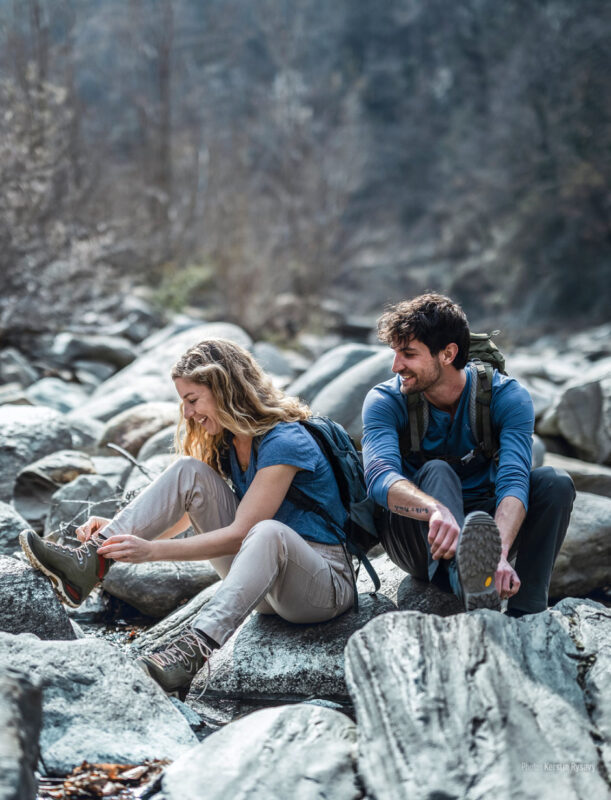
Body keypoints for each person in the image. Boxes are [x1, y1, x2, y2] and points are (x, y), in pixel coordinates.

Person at [20, 338, 354, 696]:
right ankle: (90, 562)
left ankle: (194, 650)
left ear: (226, 389)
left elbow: (241, 534)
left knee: (267, 531)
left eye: (192, 400)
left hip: (320, 587)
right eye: (184, 402)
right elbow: (187, 509)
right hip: (261, 584)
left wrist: (150, 551)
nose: (187, 414)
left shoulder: (286, 440)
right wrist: (120, 535)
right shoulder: (231, 442)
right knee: (188, 471)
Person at [362, 293, 575, 615]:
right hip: (419, 534)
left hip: (483, 529)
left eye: (408, 354)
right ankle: (468, 585)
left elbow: (514, 479)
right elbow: (378, 476)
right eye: (395, 353)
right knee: (436, 470)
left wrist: (496, 554)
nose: (396, 366)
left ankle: (527, 609)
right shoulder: (385, 400)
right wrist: (433, 509)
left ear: (448, 354)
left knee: (554, 483)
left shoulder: (507, 396)